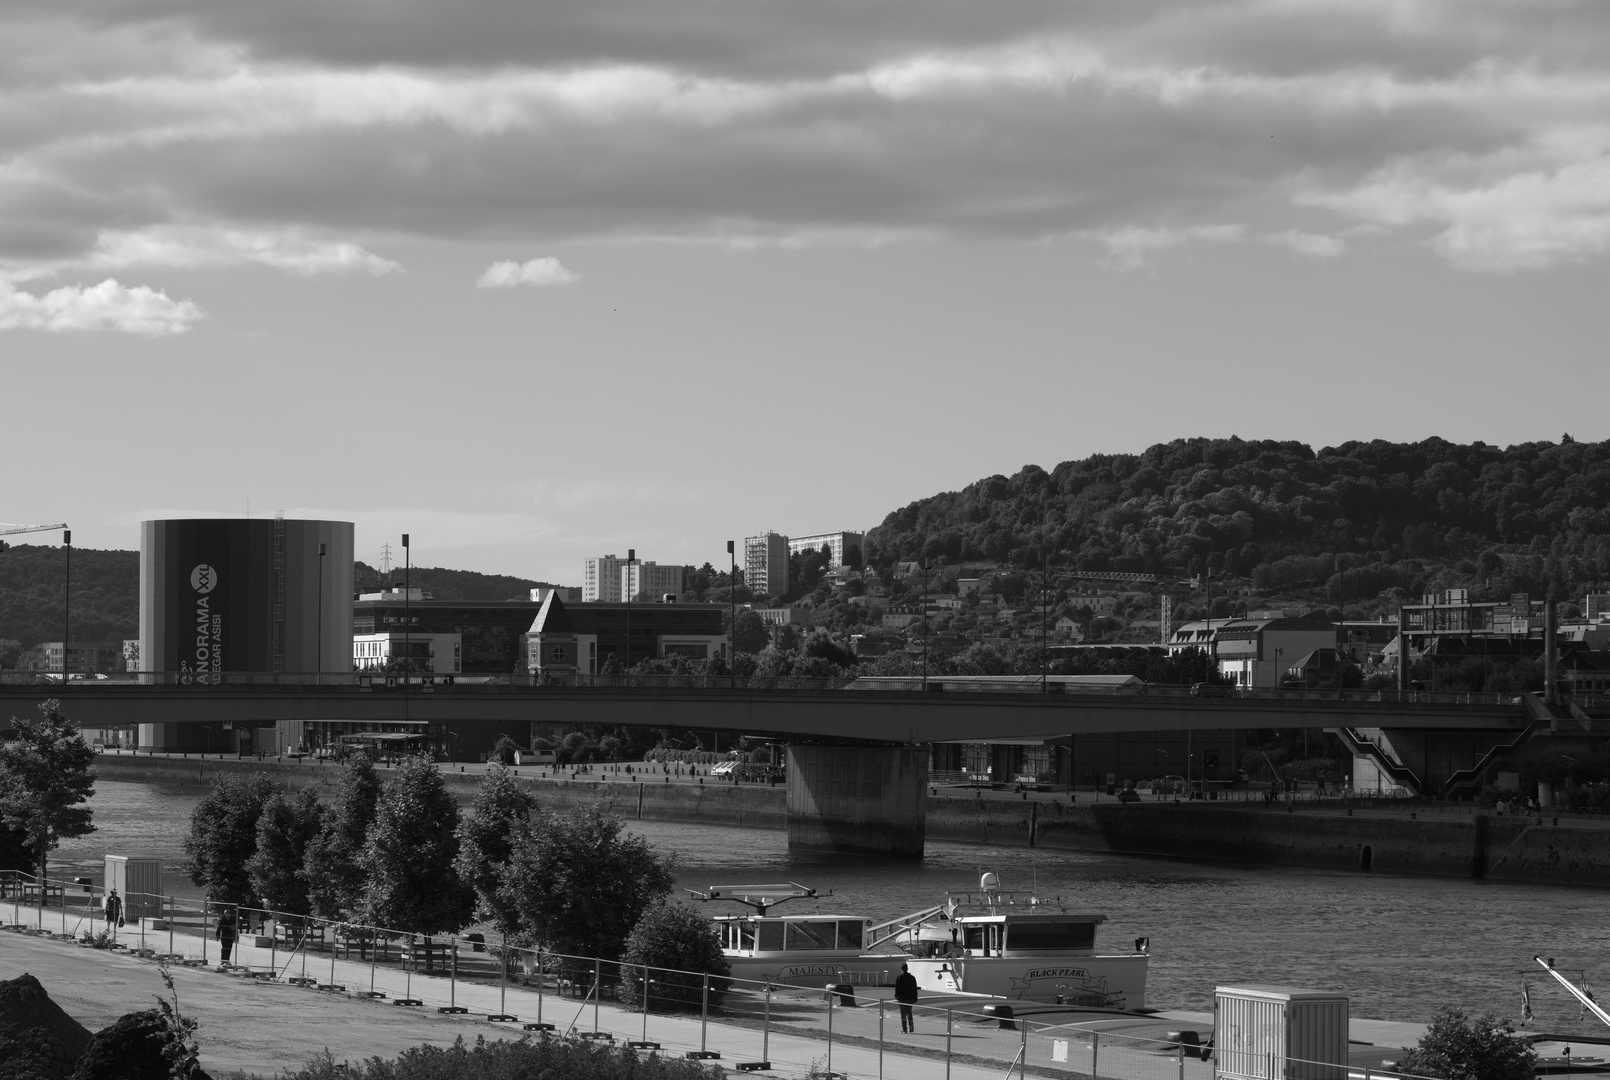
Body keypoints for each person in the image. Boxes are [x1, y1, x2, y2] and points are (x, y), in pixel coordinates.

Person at [894, 963, 919, 1033]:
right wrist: (915, 998)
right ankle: (911, 1025)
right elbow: (915, 988)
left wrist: (897, 996)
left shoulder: (899, 977)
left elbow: (897, 988)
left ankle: (904, 1029)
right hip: (910, 998)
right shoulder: (912, 978)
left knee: (903, 1014)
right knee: (909, 1012)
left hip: (902, 998)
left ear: (901, 969)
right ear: (907, 969)